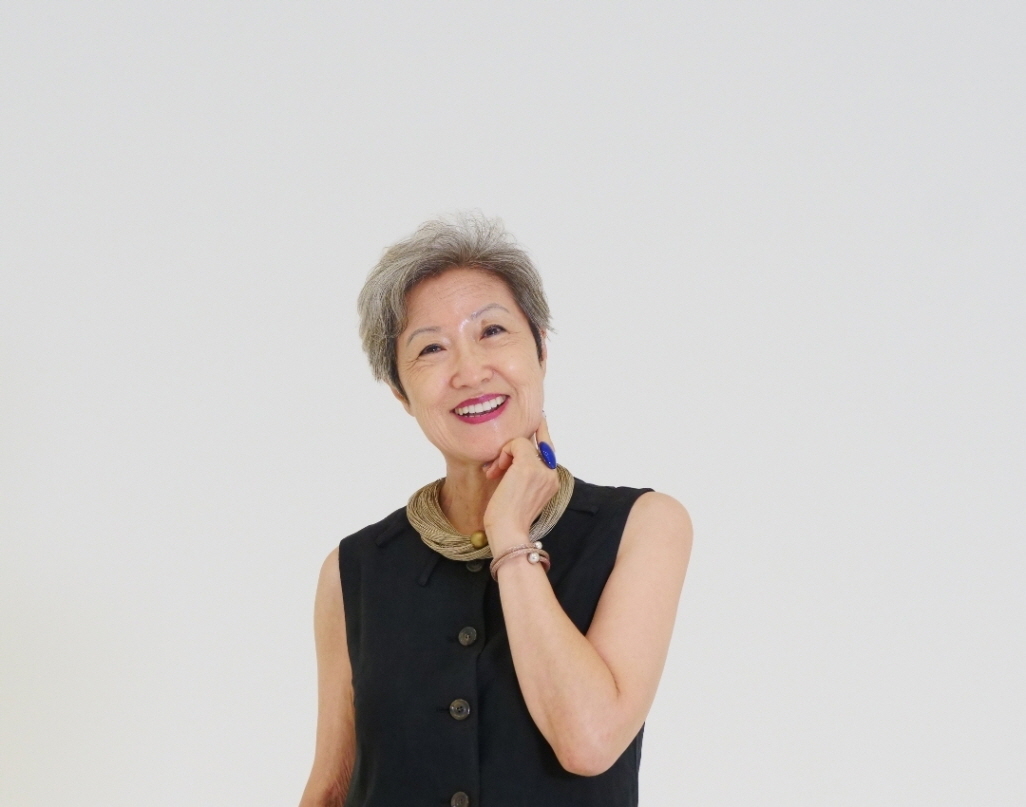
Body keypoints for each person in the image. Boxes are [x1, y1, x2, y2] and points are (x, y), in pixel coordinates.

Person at [299, 214, 692, 807]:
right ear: (401, 392)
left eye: (492, 331)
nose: (470, 371)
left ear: (540, 351)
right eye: (431, 348)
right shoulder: (353, 570)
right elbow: (331, 787)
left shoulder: (643, 526)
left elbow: (588, 742)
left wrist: (509, 536)